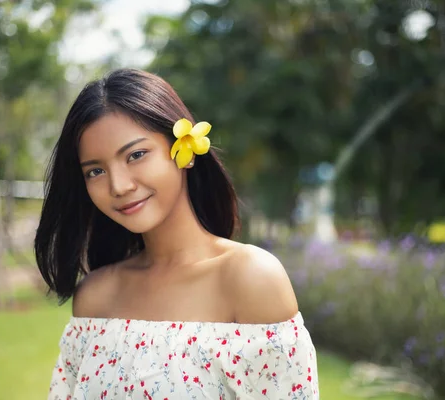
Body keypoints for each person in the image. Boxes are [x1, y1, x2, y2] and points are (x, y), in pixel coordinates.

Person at [35, 68, 319, 399]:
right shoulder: (96, 297)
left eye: (136, 155)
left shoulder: (250, 279)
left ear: (184, 151)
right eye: (95, 171)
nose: (119, 186)